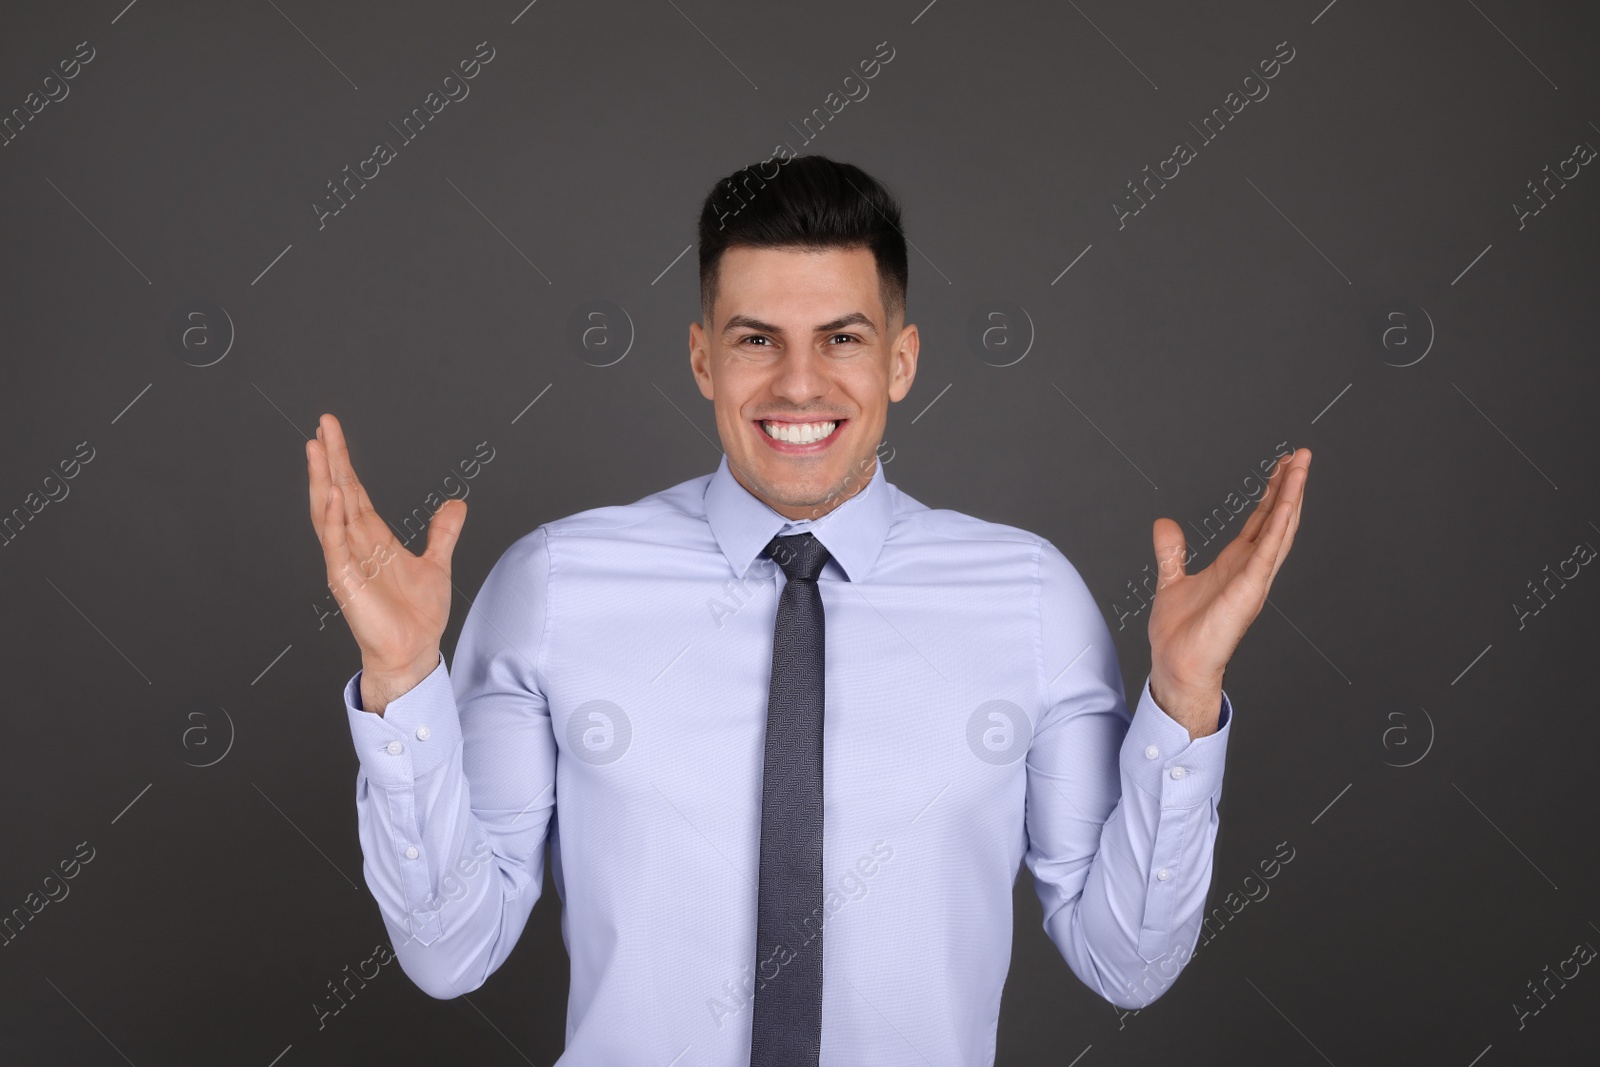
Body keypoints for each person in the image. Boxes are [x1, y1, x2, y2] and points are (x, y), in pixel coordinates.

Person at [305, 155, 1310, 1066]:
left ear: (900, 362)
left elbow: (1123, 960)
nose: (798, 382)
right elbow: (452, 950)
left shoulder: (1030, 599)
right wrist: (401, 684)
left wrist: (1182, 700)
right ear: (703, 359)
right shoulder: (555, 584)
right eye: (756, 339)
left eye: (842, 338)